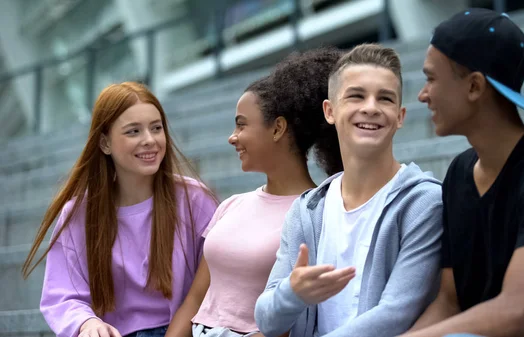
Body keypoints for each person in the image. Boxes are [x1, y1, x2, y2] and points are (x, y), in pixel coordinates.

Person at [402, 8, 524, 337]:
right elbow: (449, 302)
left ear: (475, 87)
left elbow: (518, 312)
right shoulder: (459, 173)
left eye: (432, 78)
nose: (423, 94)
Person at [254, 43, 444, 337]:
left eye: (385, 98)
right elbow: (266, 320)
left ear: (400, 116)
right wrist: (292, 293)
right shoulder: (308, 209)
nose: (371, 107)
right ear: (330, 111)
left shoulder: (424, 203)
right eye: (356, 95)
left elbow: (396, 313)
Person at [165, 47, 345, 337]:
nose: (232, 137)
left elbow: (294, 313)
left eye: (241, 124)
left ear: (277, 129)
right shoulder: (231, 205)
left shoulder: (317, 211)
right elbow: (196, 298)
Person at [21, 82, 219, 337]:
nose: (149, 140)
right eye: (133, 131)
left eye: (156, 128)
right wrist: (86, 323)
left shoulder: (194, 200)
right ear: (104, 143)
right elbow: (62, 295)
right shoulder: (79, 213)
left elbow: (219, 278)